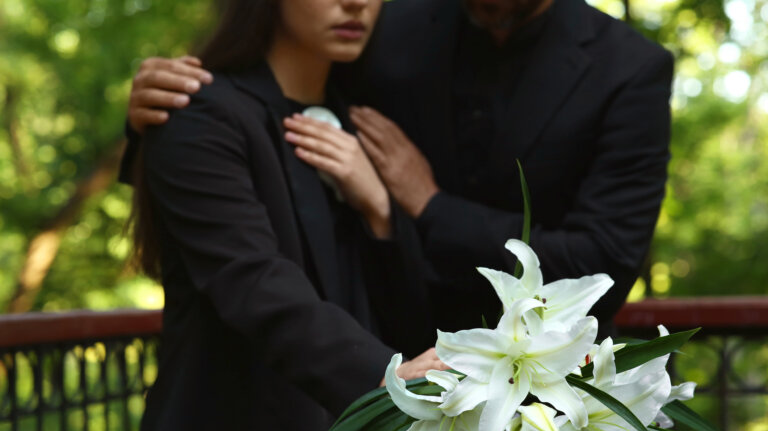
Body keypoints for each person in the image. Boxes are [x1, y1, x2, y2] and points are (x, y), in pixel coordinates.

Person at [124, 0, 673, 336]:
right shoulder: (383, 25)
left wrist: (429, 206)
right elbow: (275, 102)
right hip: (375, 378)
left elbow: (601, 271)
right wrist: (166, 113)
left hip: (549, 391)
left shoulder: (630, 69)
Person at [127, 0, 445, 431]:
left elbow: (396, 303)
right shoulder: (199, 112)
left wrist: (380, 210)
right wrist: (381, 377)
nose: (356, 3)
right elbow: (250, 278)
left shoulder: (366, 124)